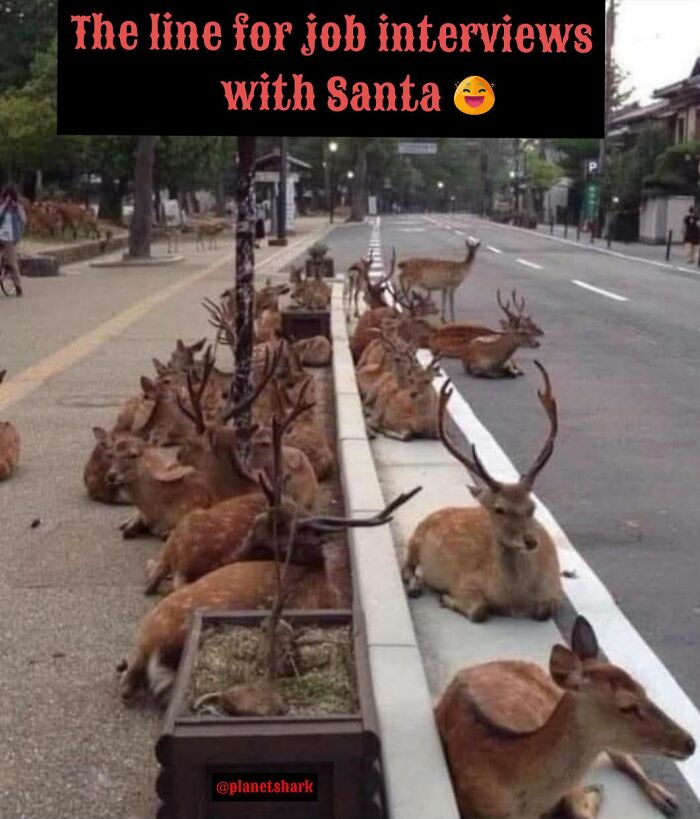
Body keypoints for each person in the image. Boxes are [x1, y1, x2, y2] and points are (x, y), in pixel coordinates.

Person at [0, 186, 27, 296]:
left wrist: (17, 208)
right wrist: (4, 205)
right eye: (6, 197)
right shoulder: (2, 206)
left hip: (10, 238)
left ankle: (18, 286)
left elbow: (24, 220)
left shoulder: (17, 208)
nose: (8, 200)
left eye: (10, 197)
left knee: (12, 263)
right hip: (0, 236)